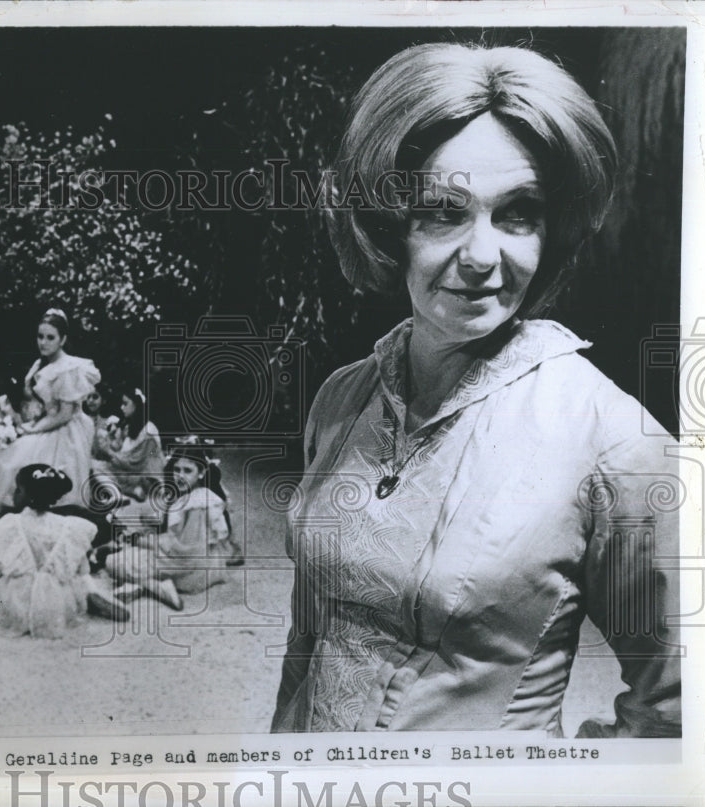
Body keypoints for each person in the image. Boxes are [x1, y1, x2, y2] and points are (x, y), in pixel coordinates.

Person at [272, 43, 680, 738]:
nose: (485, 256)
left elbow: (690, 704)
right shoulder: (343, 399)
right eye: (443, 211)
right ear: (387, 225)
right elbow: (306, 650)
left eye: (518, 213)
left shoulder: (615, 440)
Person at [0, 307, 101, 535]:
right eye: (40, 336)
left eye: (50, 337)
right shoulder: (42, 364)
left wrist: (32, 429)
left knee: (13, 455)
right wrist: (24, 424)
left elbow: (64, 414)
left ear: (63, 339)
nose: (44, 342)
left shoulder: (68, 368)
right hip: (49, 422)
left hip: (65, 430)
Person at [0, 464, 127, 638]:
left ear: (26, 495)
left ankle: (21, 612)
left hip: (17, 601)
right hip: (57, 604)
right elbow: (82, 569)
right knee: (74, 580)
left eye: (18, 490)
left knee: (6, 586)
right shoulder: (69, 526)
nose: (14, 494)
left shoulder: (10, 524)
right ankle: (91, 593)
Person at [105, 444, 233, 611]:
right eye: (177, 469)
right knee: (130, 548)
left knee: (113, 562)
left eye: (187, 471)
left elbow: (184, 552)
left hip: (190, 571)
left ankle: (156, 587)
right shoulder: (191, 495)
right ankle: (143, 584)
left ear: (201, 473)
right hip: (200, 564)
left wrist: (141, 541)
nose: (180, 476)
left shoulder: (197, 503)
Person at [91, 386, 164, 503]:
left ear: (136, 405)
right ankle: (128, 491)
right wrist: (108, 440)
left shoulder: (148, 431)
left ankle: (127, 491)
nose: (122, 407)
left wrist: (109, 452)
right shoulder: (129, 427)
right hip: (131, 472)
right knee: (95, 465)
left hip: (146, 476)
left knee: (98, 467)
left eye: (125, 404)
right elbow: (120, 451)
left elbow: (135, 462)